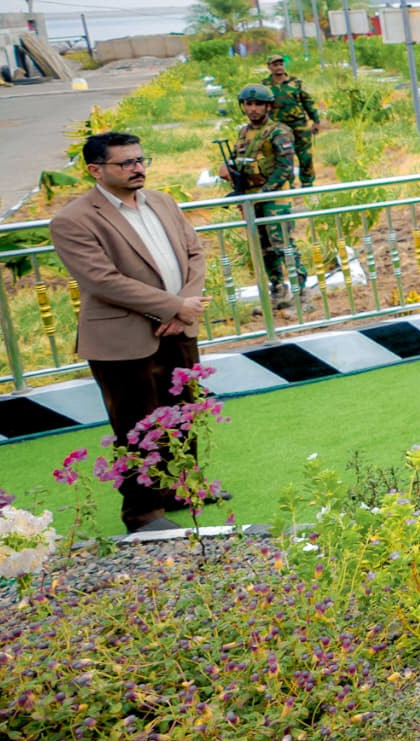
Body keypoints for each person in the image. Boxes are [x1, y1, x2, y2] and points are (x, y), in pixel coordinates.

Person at [48, 131, 210, 533]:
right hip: (123, 341)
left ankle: (180, 491)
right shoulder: (73, 220)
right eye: (125, 163)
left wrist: (185, 305)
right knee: (136, 426)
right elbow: (102, 280)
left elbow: (194, 253)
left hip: (179, 330)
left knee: (184, 416)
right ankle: (142, 514)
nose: (137, 168)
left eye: (140, 160)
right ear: (95, 170)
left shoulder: (163, 202)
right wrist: (172, 306)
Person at [227, 83, 298, 310]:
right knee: (263, 247)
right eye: (249, 104)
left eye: (259, 104)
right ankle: (278, 289)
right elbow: (238, 160)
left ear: (268, 106)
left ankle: (300, 292)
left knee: (283, 245)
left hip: (274, 198)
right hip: (251, 197)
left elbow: (285, 167)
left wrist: (265, 192)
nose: (253, 109)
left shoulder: (279, 131)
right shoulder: (243, 133)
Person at [261, 53, 322, 186]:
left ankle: (307, 184)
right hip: (278, 127)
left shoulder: (296, 83)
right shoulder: (264, 86)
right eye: (275, 65)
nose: (279, 67)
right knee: (283, 157)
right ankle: (288, 184)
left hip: (299, 124)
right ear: (269, 67)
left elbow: (308, 102)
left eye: (281, 64)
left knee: (305, 155)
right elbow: (260, 106)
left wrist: (316, 121)